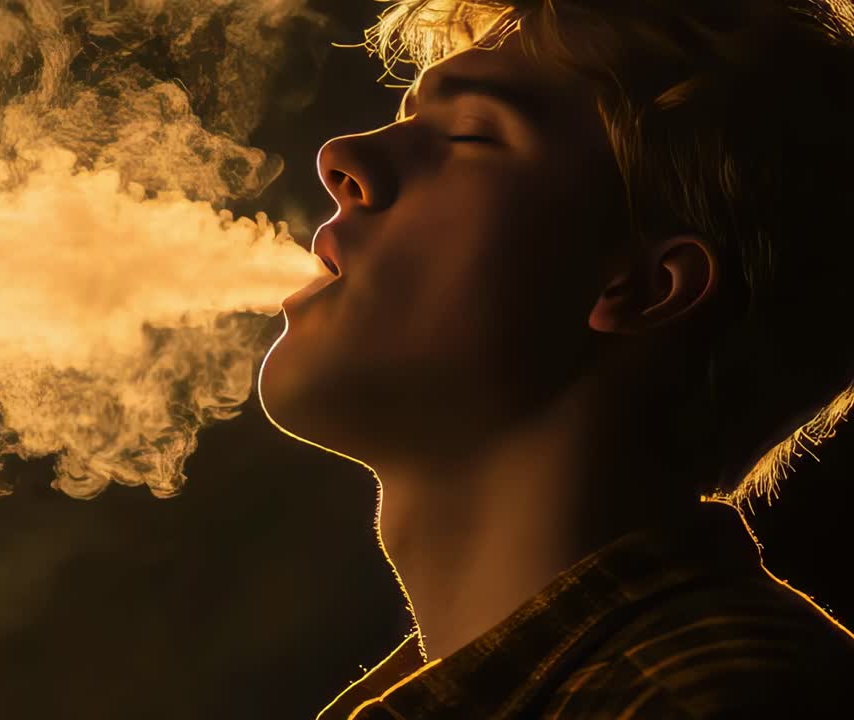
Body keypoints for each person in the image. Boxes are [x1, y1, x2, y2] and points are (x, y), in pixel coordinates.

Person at [256, 0, 854, 717]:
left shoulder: (707, 703)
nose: (342, 157)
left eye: (471, 132)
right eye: (406, 115)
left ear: (643, 290)